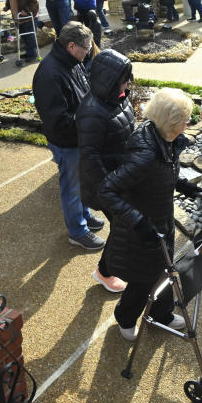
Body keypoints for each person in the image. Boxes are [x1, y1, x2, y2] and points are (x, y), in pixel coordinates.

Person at [97, 88, 202, 341]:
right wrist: (139, 223)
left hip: (159, 219)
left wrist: (180, 184)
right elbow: (107, 191)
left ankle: (161, 313)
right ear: (171, 122)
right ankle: (125, 316)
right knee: (143, 279)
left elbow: (162, 171)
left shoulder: (164, 139)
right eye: (185, 119)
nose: (189, 123)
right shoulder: (145, 155)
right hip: (142, 227)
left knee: (166, 270)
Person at [32, 22, 105, 251]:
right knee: (71, 187)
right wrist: (90, 119)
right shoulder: (49, 74)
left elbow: (83, 92)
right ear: (71, 45)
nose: (89, 52)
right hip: (67, 142)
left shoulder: (72, 61)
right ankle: (77, 231)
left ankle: (83, 215)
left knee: (81, 182)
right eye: (86, 48)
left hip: (79, 137)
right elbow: (57, 120)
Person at [76, 49, 134, 294]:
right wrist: (112, 187)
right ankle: (104, 272)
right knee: (123, 229)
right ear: (108, 79)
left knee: (125, 228)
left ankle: (111, 268)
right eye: (123, 78)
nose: (127, 83)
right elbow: (90, 158)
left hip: (121, 178)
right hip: (107, 185)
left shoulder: (118, 97)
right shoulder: (91, 111)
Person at [3, 0, 40, 64]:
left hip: (27, 17)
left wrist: (27, 11)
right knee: (23, 37)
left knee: (29, 36)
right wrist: (7, 6)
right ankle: (29, 52)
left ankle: (32, 54)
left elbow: (35, 1)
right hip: (17, 17)